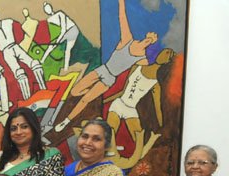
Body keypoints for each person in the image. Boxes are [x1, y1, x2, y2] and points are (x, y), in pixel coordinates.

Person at [54, 0, 158, 132]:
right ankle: (87, 92)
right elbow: (122, 17)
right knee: (75, 91)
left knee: (86, 100)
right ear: (146, 35)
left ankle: (66, 121)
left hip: (110, 79)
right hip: (103, 70)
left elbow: (153, 65)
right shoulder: (127, 40)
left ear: (152, 43)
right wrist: (121, 2)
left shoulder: (142, 58)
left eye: (152, 40)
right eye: (149, 37)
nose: (149, 40)